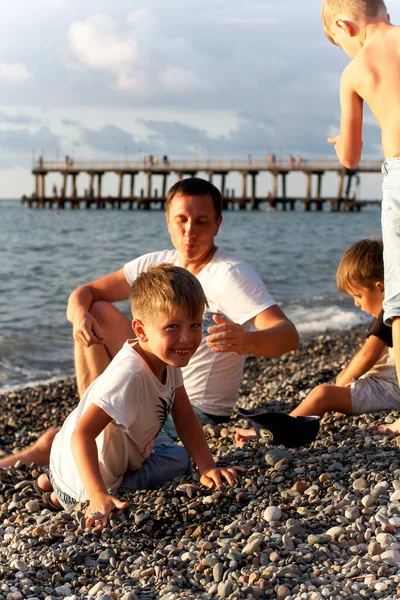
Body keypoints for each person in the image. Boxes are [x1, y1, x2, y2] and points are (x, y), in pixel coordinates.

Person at [0, 177, 298, 468]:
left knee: (60, 440)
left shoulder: (230, 274)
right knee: (97, 311)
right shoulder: (158, 265)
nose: (189, 231)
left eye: (202, 221)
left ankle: (66, 443)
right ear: (168, 220)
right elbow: (84, 293)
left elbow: (287, 335)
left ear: (218, 223)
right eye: (181, 219)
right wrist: (79, 317)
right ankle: (90, 418)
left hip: (196, 412)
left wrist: (247, 341)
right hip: (154, 388)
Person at [41, 264, 244, 525]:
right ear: (140, 330)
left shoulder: (167, 359)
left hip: (64, 462)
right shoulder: (130, 376)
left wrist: (208, 467)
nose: (186, 338)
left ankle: (53, 484)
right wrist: (97, 495)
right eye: (172, 326)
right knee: (179, 461)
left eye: (194, 324)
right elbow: (83, 434)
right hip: (84, 484)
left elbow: (184, 418)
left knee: (169, 447)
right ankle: (66, 495)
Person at [236, 239, 400, 447]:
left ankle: (277, 430)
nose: (356, 303)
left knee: (323, 393)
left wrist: (338, 387)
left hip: (389, 390)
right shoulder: (392, 312)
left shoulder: (389, 315)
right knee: (330, 391)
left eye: (358, 295)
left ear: (381, 288)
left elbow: (367, 356)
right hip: (385, 385)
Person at [320, 0, 400, 384]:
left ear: (344, 27)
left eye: (338, 43)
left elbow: (350, 156)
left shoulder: (356, 69)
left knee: (398, 299)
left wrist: (338, 143)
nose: (344, 52)